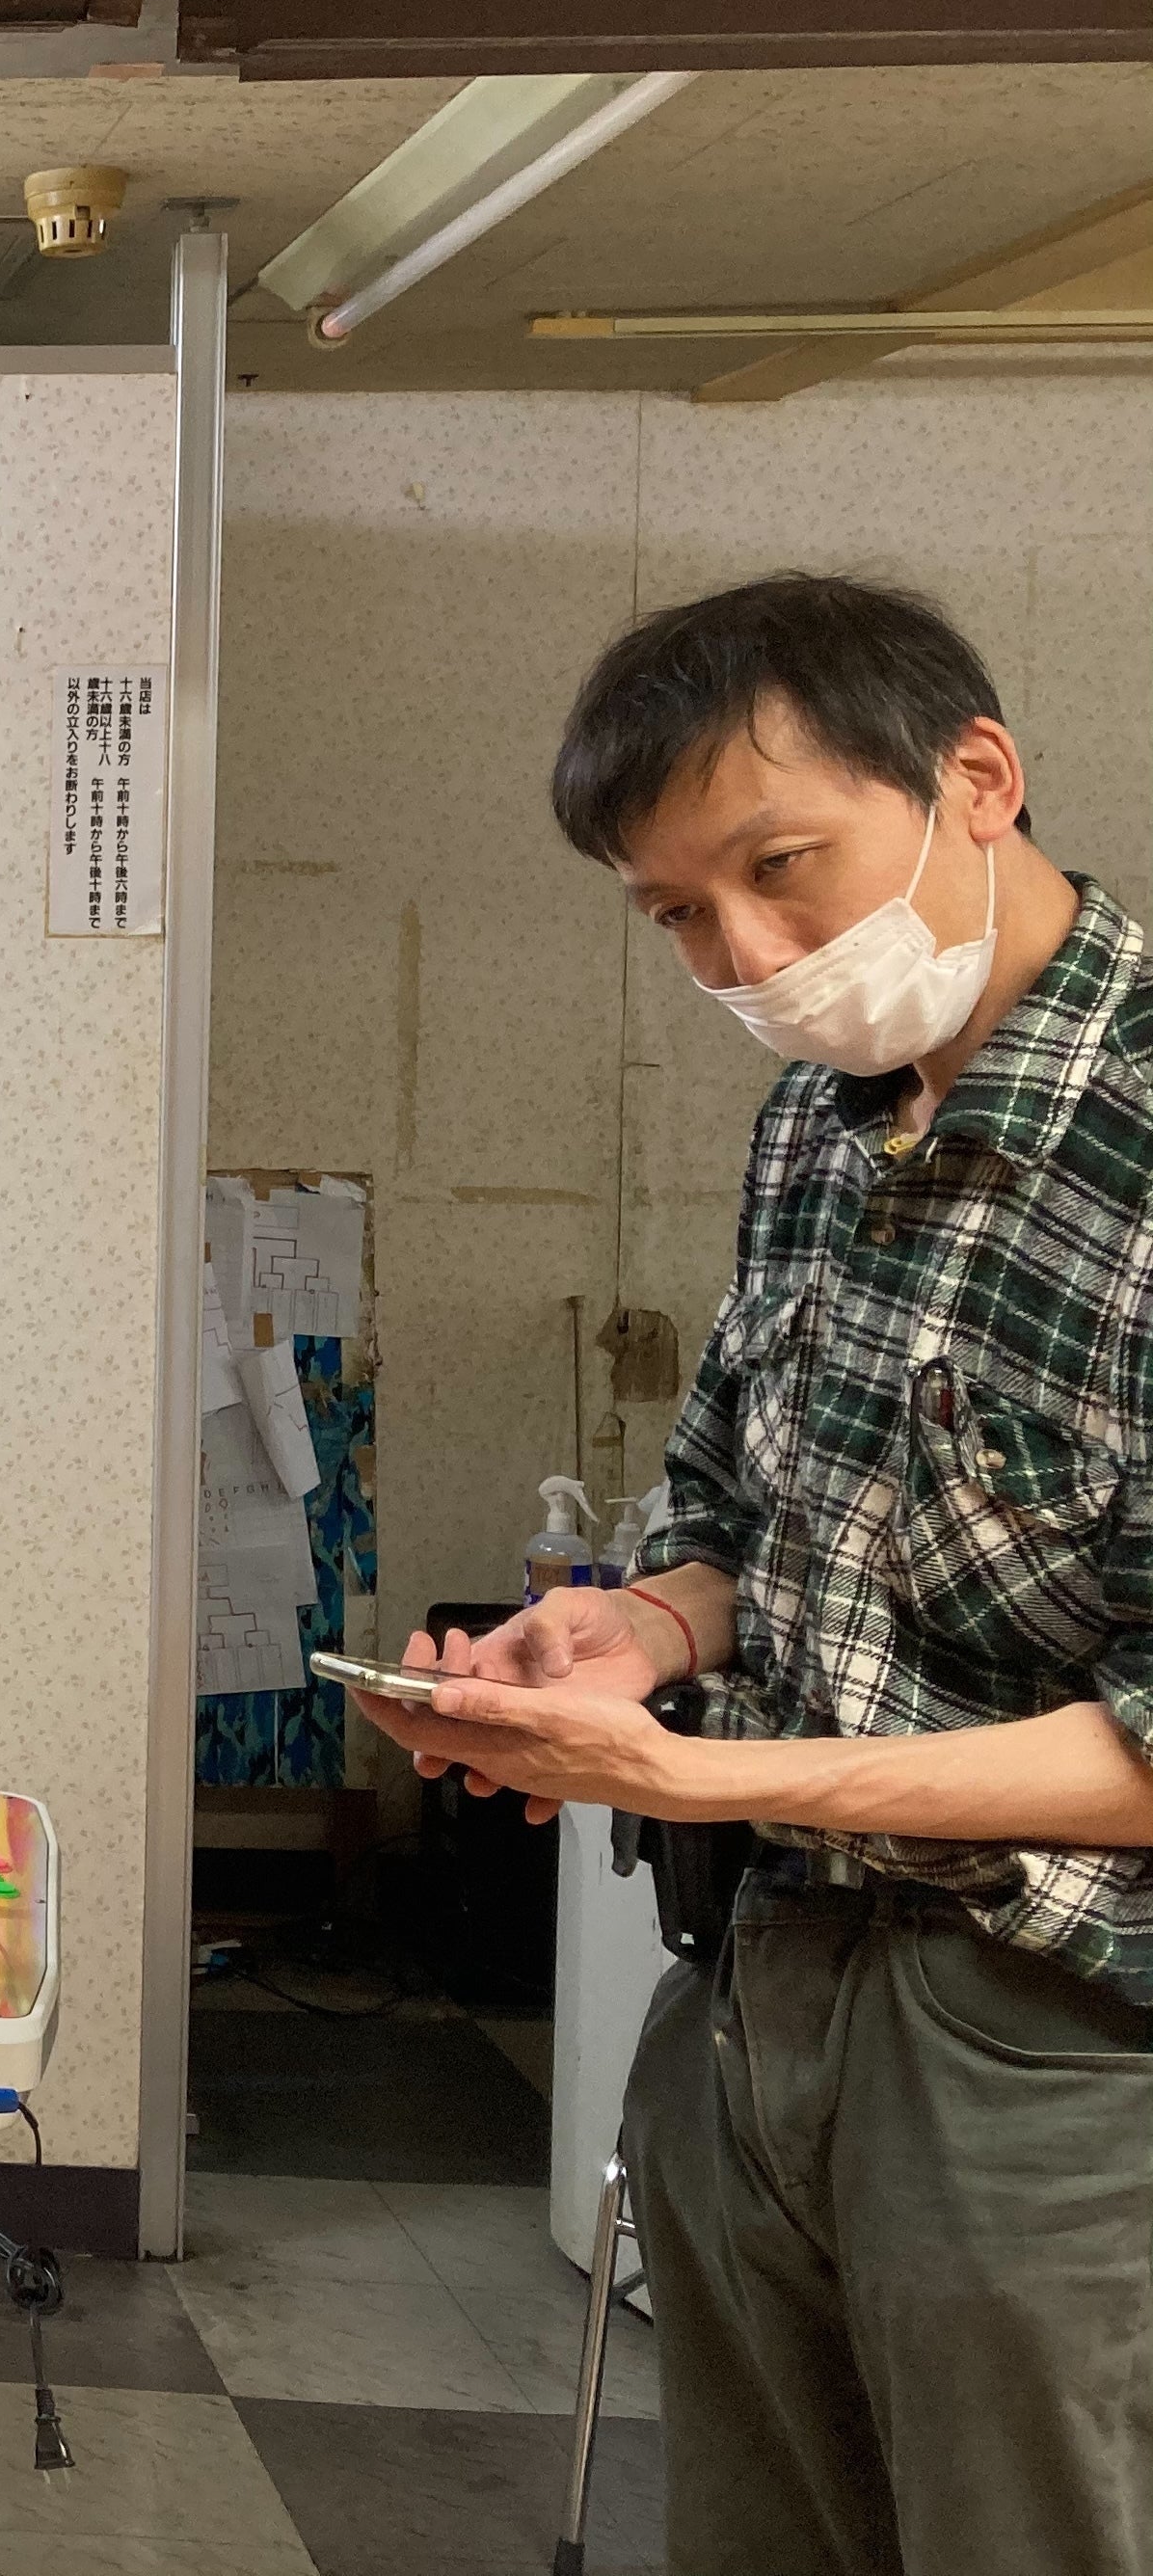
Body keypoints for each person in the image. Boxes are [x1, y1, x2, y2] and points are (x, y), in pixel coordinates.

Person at [345, 573, 1153, 2576]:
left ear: (978, 779)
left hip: (1055, 2048)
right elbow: (735, 1511)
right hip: (761, 1991)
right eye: (679, 915)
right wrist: (628, 1631)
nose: (751, 957)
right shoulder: (817, 1123)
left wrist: (714, 1775)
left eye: (782, 868)